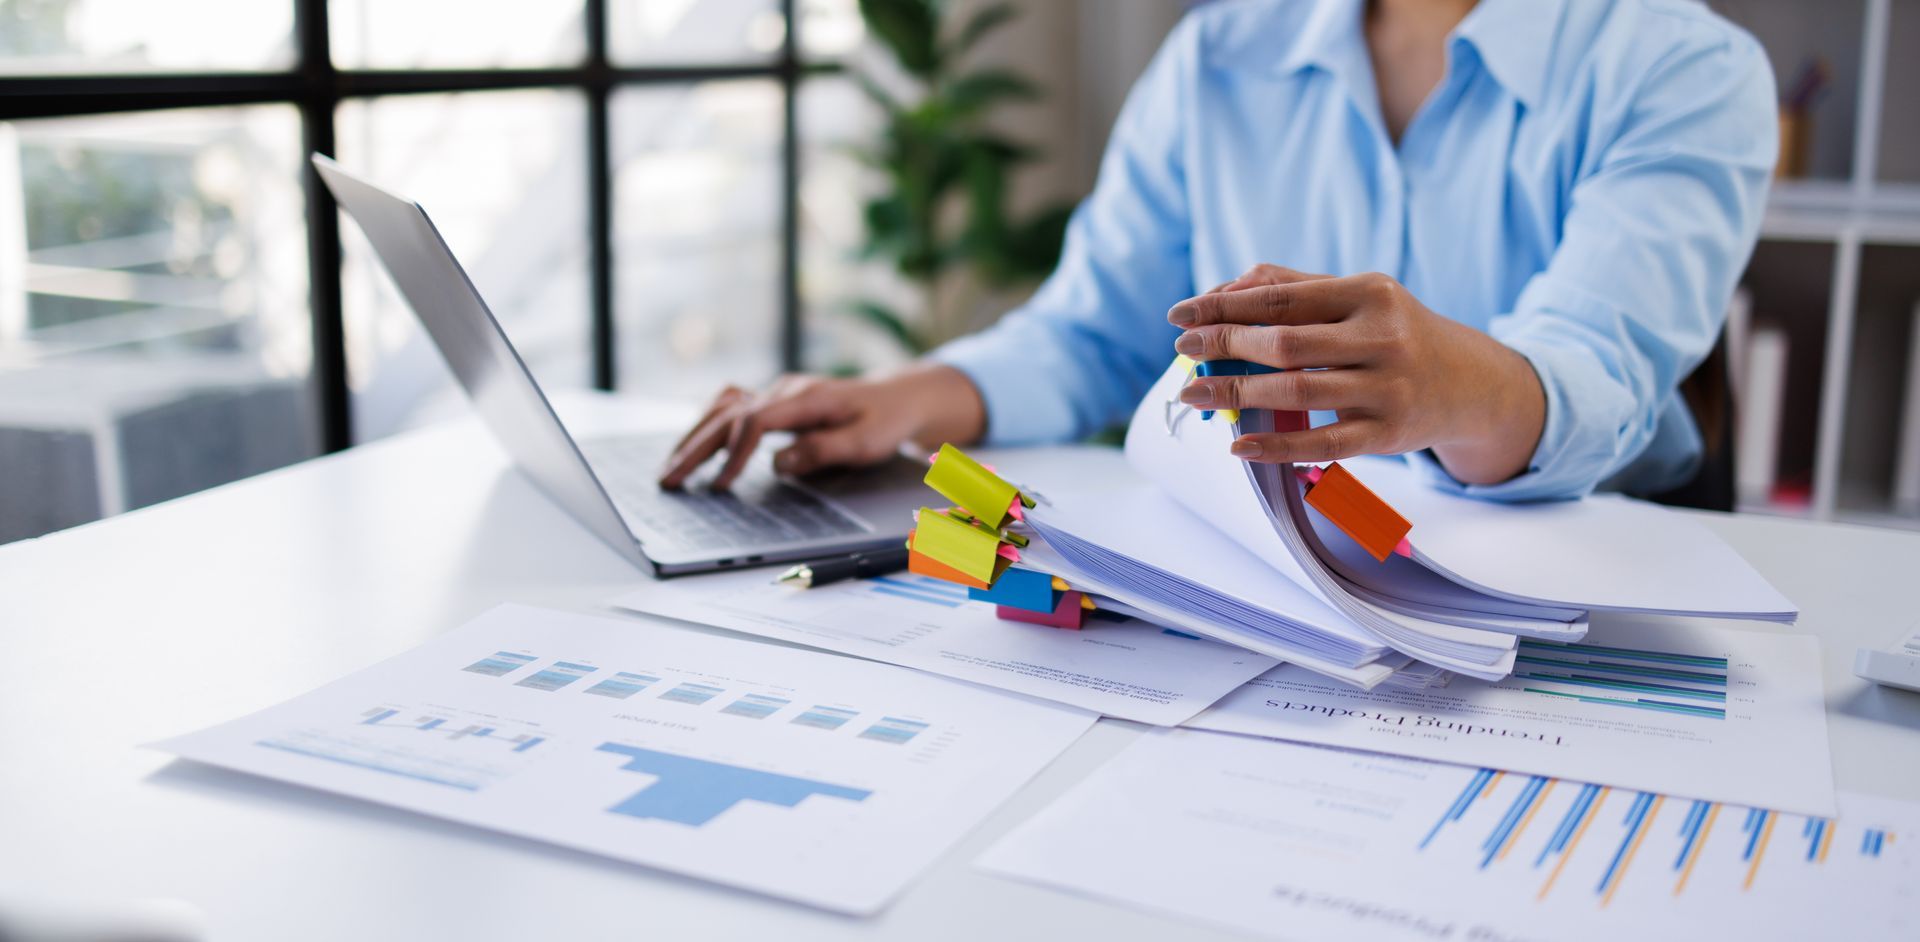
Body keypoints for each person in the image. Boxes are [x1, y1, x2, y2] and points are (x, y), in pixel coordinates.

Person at [661, 0, 1776, 502]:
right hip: (1269, 572)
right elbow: (1094, 333)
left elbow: (1598, 367)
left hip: (1569, 579)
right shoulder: (1218, 55)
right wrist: (903, 398)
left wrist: (1454, 389)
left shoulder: (1686, 69)